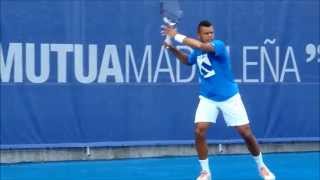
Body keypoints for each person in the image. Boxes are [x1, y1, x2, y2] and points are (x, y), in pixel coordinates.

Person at [161, 20, 276, 180]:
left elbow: (202, 47)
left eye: (211, 33)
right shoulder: (197, 52)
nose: (210, 36)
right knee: (199, 130)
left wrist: (176, 35)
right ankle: (205, 172)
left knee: (246, 133)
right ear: (199, 34)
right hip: (208, 98)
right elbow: (188, 61)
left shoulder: (218, 45)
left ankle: (261, 166)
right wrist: (171, 48)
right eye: (206, 33)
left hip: (230, 97)